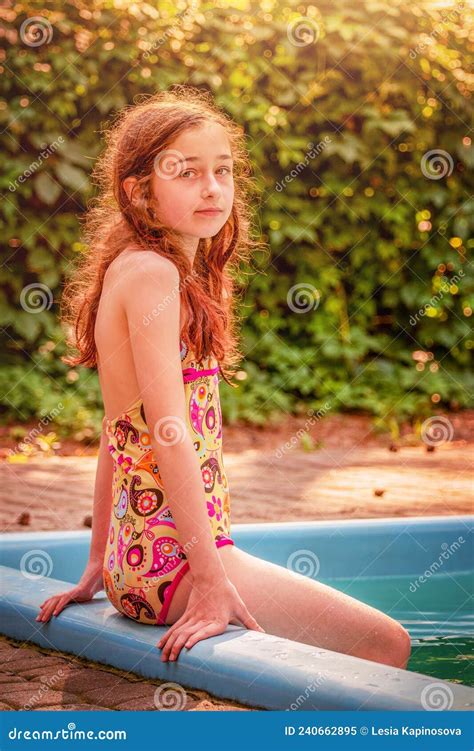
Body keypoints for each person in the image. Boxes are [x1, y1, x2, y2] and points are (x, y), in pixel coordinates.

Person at [36, 86, 411, 669]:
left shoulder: (168, 270)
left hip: (142, 561)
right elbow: (166, 433)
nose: (212, 187)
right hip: (177, 563)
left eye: (222, 170)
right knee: (386, 644)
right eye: (186, 173)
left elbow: (119, 431)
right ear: (139, 192)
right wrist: (209, 580)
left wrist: (98, 559)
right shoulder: (153, 274)